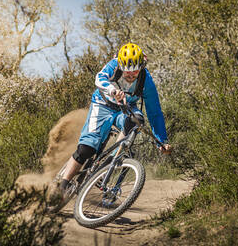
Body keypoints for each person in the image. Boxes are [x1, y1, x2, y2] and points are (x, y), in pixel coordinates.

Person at [59, 42, 171, 195]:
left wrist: (161, 140)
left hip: (125, 109)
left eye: (135, 72)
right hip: (102, 105)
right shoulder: (113, 65)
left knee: (137, 120)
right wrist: (113, 90)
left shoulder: (146, 81)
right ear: (121, 65)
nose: (131, 76)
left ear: (142, 67)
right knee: (86, 149)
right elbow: (99, 78)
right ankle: (61, 186)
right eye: (127, 73)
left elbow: (155, 112)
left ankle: (109, 163)